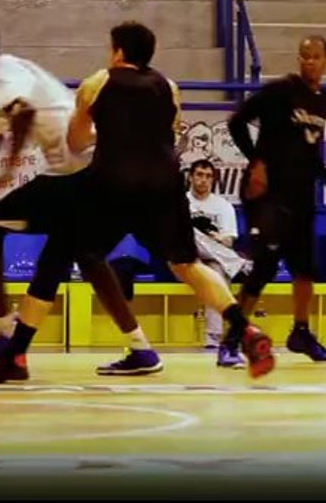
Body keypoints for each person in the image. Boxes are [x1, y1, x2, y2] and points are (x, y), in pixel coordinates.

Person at [0, 19, 163, 382]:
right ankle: (140, 348)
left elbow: (24, 113)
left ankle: (6, 335)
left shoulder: (4, 72)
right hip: (91, 172)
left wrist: (6, 173)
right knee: (81, 258)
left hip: (78, 173)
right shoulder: (1, 80)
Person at [66, 21, 276, 377]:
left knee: (87, 255)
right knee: (187, 264)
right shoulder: (169, 86)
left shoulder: (96, 82)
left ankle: (139, 347)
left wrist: (105, 130)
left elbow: (76, 142)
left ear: (118, 51)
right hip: (164, 181)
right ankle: (244, 328)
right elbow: (170, 130)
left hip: (115, 180)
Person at [226, 35, 326, 366]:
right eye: (304, 55)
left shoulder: (323, 101)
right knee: (265, 265)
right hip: (267, 193)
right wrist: (256, 161)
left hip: (301, 195)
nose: (309, 61)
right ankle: (233, 338)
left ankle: (301, 332)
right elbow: (237, 122)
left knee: (305, 268)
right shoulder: (281, 90)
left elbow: (309, 150)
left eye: (316, 56)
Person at [185, 158, 248, 355]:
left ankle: (213, 339)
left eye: (208, 176)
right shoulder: (180, 203)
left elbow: (229, 241)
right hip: (185, 258)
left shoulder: (223, 206)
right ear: (190, 177)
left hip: (215, 259)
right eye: (199, 175)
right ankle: (240, 264)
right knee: (190, 233)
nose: (204, 180)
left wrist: (217, 238)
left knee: (216, 275)